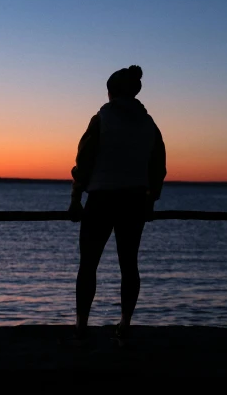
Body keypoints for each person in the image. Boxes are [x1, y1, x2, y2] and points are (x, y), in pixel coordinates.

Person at [68, 64, 166, 342]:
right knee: (129, 264)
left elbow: (84, 163)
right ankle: (125, 323)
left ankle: (82, 326)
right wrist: (151, 201)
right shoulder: (150, 125)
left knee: (88, 265)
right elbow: (158, 168)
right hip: (134, 201)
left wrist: (76, 199)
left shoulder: (101, 119)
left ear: (110, 92)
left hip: (101, 199)